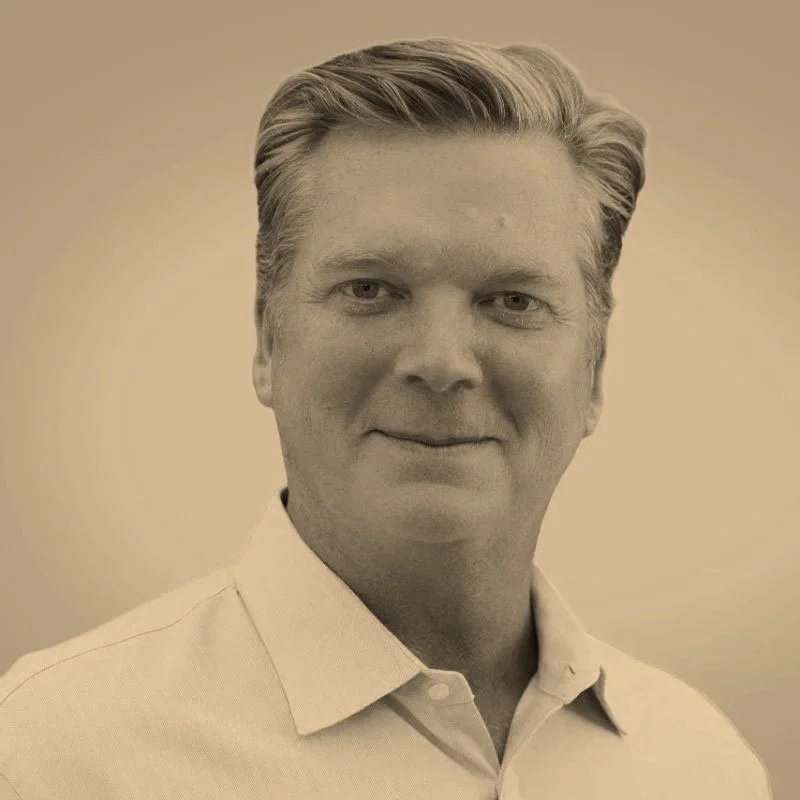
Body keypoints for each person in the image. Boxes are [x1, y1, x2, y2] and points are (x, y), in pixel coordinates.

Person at [0, 37, 772, 799]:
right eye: (372, 289)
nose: (441, 363)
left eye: (513, 302)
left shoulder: (702, 764)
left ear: (594, 370)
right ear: (268, 340)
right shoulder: (54, 751)